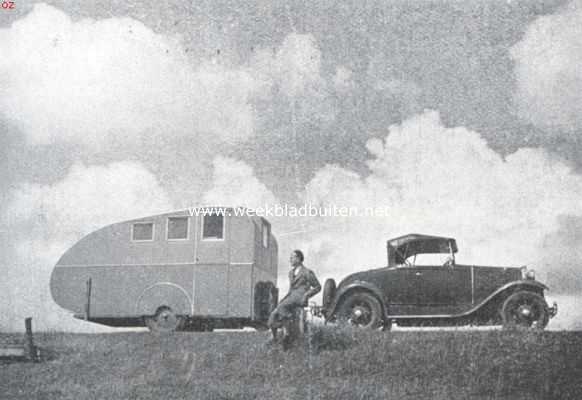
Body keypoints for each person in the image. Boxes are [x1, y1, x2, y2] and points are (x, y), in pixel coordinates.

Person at [267, 250, 321, 347]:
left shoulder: (307, 272)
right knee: (273, 315)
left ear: (299, 259)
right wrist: (284, 298)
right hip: (291, 297)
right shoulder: (291, 273)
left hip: (300, 297)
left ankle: (287, 333)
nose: (290, 260)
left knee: (281, 308)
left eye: (292, 257)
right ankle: (275, 338)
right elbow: (291, 289)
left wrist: (306, 295)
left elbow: (318, 287)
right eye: (290, 258)